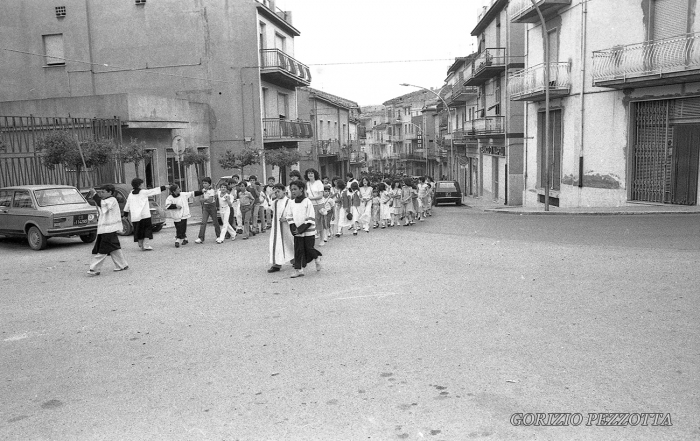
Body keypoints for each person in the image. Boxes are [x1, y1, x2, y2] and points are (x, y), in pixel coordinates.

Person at [86, 185, 128, 276]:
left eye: (103, 192)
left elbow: (102, 204)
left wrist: (95, 194)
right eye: (101, 192)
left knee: (102, 250)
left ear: (110, 192)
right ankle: (122, 265)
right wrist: (94, 195)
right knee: (114, 247)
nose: (102, 193)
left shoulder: (112, 200)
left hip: (109, 229)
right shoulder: (106, 200)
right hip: (106, 229)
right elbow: (100, 204)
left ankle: (94, 269)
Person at [285, 180, 322, 278]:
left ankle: (317, 257)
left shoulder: (307, 202)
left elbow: (310, 217)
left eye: (295, 189)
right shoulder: (291, 203)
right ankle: (299, 270)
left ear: (301, 189)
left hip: (308, 230)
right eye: (291, 189)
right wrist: (293, 226)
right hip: (297, 231)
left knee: (309, 248)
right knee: (298, 250)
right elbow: (289, 215)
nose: (293, 191)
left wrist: (302, 228)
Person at [123, 178, 167, 251]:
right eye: (142, 183)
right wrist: (165, 187)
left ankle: (140, 243)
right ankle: (146, 245)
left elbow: (127, 205)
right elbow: (154, 191)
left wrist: (125, 214)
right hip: (144, 215)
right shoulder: (143, 192)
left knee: (139, 230)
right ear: (139, 185)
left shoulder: (131, 194)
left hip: (135, 216)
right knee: (147, 230)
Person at [268, 183, 294, 273]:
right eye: (275, 192)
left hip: (286, 227)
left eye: (278, 191)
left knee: (289, 242)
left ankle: (293, 259)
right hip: (276, 228)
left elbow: (294, 214)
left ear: (284, 191)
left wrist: (287, 218)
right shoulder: (274, 202)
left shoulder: (289, 202)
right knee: (276, 243)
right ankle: (277, 264)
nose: (277, 193)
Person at [195, 177, 221, 244]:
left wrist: (204, 199)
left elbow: (210, 200)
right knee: (203, 222)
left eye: (206, 183)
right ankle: (201, 237)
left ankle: (219, 236)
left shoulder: (211, 190)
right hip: (205, 207)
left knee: (215, 222)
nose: (204, 184)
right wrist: (205, 199)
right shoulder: (203, 190)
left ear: (209, 184)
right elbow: (200, 199)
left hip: (212, 206)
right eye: (203, 183)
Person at [304, 168, 325, 241]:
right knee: (311, 222)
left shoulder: (318, 183)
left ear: (314, 174)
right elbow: (306, 194)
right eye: (309, 173)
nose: (310, 174)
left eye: (311, 173)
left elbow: (320, 195)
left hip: (319, 204)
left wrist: (310, 198)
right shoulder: (307, 183)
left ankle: (322, 239)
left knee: (320, 222)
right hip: (310, 205)